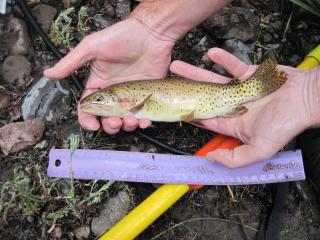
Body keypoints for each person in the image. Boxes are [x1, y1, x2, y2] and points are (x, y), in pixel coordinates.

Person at [43, 0, 320, 168]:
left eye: (102, 101)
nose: (98, 104)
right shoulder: (131, 102)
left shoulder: (134, 101)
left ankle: (258, 88)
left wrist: (309, 98)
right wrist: (153, 26)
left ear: (125, 98)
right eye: (101, 102)